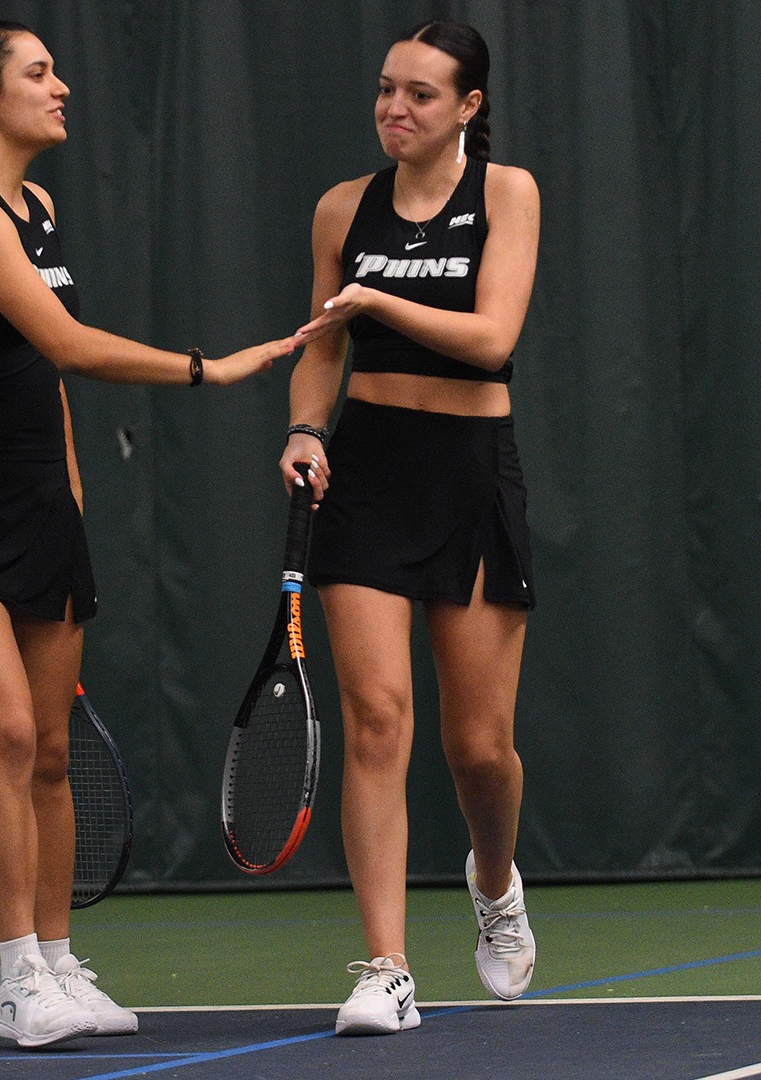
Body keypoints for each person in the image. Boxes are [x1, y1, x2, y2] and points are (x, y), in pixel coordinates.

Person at [0, 20, 300, 1050]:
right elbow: (70, 341)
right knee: (9, 733)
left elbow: (43, 375)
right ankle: (16, 977)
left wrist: (68, 495)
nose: (61, 87)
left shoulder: (41, 206)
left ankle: (61, 964)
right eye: (38, 73)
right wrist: (217, 368)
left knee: (53, 752)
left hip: (37, 507)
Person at [279, 19, 541, 1036]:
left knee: (479, 750)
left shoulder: (506, 193)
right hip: (368, 473)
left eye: (421, 95)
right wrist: (305, 425)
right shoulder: (343, 207)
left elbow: (492, 337)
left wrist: (376, 292)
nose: (396, 109)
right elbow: (319, 344)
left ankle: (494, 876)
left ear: (469, 107)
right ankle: (386, 966)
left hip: (471, 475)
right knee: (378, 722)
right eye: (387, 90)